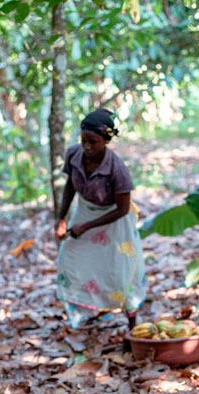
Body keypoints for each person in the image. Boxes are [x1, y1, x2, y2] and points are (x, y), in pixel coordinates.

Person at [55, 109, 146, 330]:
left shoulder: (117, 169)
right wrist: (62, 218)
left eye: (93, 142)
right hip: (85, 210)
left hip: (114, 220)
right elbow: (70, 185)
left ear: (106, 141)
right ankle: (86, 312)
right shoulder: (74, 155)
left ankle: (132, 321)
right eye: (83, 140)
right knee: (72, 260)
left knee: (119, 271)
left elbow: (123, 209)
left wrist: (86, 226)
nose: (87, 147)